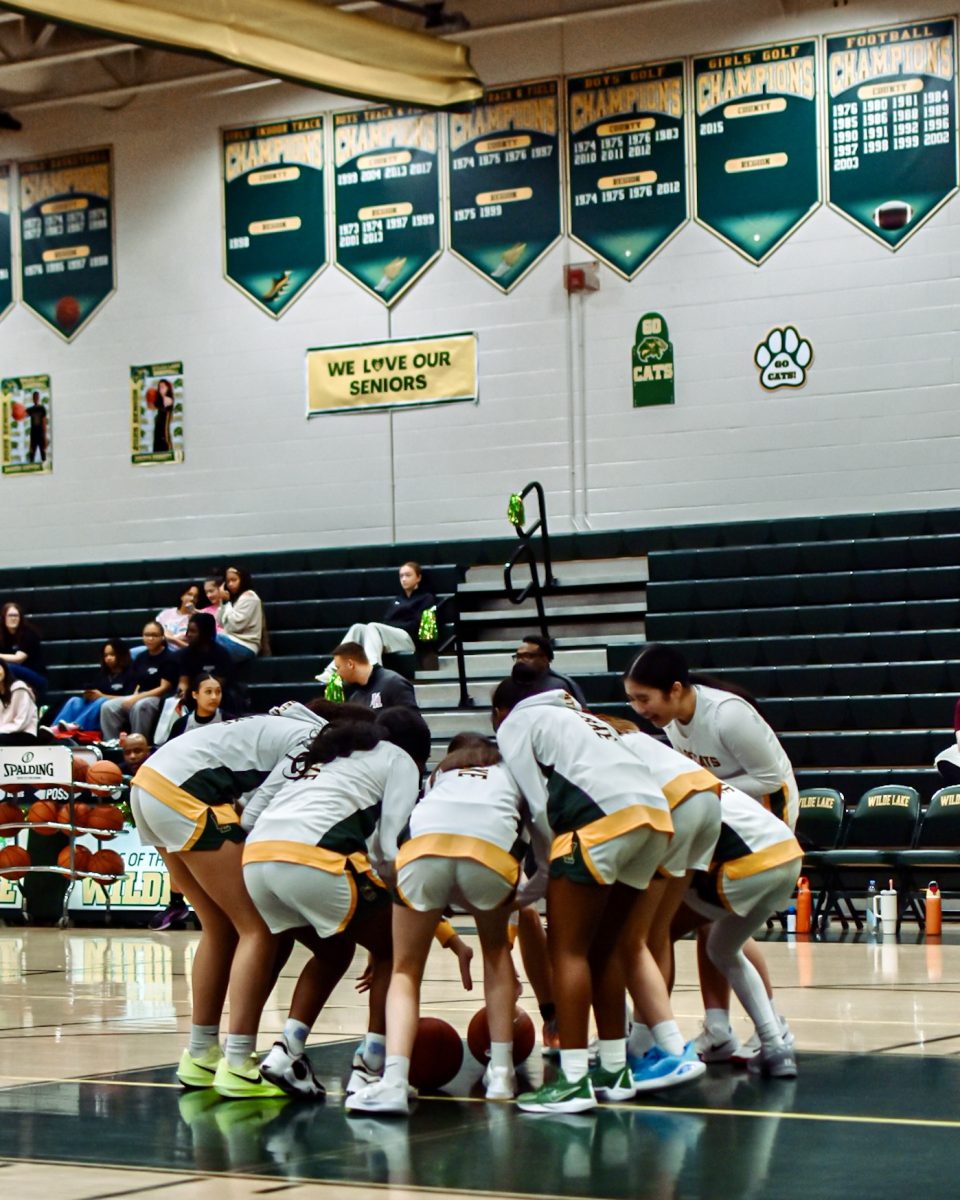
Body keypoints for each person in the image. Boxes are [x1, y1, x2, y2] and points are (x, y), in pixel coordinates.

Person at [493, 667, 674, 1114]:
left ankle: (572, 1079)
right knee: (606, 949)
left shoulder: (517, 722)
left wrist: (533, 886)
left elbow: (539, 808)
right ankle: (614, 1069)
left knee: (568, 950)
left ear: (501, 710)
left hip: (599, 822)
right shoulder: (585, 718)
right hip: (655, 820)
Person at [129, 701, 324, 1099]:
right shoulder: (314, 741)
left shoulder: (282, 723)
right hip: (183, 793)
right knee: (261, 927)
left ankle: (201, 1054)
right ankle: (238, 1062)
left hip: (148, 785)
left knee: (219, 928)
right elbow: (254, 813)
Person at [242, 708, 432, 1103]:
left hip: (256, 861)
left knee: (335, 951)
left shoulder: (333, 753)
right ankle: (371, 1067)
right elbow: (385, 850)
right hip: (310, 858)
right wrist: (405, 899)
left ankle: (287, 1053)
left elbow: (251, 815)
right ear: (418, 754)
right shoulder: (400, 761)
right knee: (394, 949)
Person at [623, 643, 799, 1063]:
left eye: (643, 698)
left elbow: (771, 780)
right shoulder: (672, 723)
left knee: (718, 920)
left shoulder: (727, 715)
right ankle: (720, 1027)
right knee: (710, 926)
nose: (638, 709)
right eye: (631, 700)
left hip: (768, 816)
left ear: (676, 689)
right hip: (721, 813)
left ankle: (770, 1022)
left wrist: (706, 788)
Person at [669, 783, 802, 1078]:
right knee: (722, 948)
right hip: (788, 853)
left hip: (749, 861)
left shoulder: (657, 783)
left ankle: (650, 1043)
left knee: (654, 936)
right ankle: (775, 1045)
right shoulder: (690, 773)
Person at [316, 562, 435, 683]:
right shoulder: (397, 600)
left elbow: (416, 625)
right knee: (358, 628)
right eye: (401, 576)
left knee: (373, 626)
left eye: (408, 575)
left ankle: (374, 669)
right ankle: (333, 669)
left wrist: (392, 626)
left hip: (408, 639)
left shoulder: (426, 598)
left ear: (418, 577)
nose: (404, 579)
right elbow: (386, 621)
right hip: (391, 637)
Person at [99, 621, 179, 741]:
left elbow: (164, 687)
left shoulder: (169, 657)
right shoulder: (141, 657)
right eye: (147, 635)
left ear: (162, 637)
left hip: (159, 698)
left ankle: (138, 743)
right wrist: (132, 696)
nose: (150, 638)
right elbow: (136, 682)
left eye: (154, 635)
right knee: (108, 706)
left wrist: (136, 698)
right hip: (140, 694)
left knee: (140, 706)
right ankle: (112, 743)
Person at [49, 640, 136, 732]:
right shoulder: (103, 675)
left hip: (113, 709)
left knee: (102, 700)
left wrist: (103, 697)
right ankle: (55, 728)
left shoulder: (131, 674)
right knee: (74, 701)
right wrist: (89, 695)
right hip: (96, 708)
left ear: (121, 655)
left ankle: (77, 725)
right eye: (105, 655)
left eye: (112, 654)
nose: (108, 658)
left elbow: (129, 698)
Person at [331, 642, 418, 712]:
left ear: (350, 664)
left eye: (338, 668)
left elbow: (414, 725)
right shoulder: (355, 698)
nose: (337, 673)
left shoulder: (394, 683)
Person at [514, 635, 587, 707]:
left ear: (545, 659)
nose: (520, 660)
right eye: (518, 656)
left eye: (528, 656)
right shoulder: (508, 685)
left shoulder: (559, 685)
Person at [216, 565, 267, 663]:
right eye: (227, 581)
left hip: (244, 645)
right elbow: (221, 623)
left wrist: (227, 602)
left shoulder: (249, 597)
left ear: (243, 580)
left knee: (205, 639)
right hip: (232, 641)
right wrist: (223, 602)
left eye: (234, 580)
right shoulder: (235, 598)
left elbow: (234, 626)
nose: (230, 584)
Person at [167, 674, 234, 741]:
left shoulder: (230, 722)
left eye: (218, 692)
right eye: (208, 692)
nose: (214, 697)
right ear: (195, 694)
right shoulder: (182, 724)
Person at [0, 602, 47, 694]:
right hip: (14, 676)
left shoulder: (28, 634)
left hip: (36, 678)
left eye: (16, 616)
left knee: (9, 668)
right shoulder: (2, 635)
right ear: (3, 617)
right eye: (10, 616)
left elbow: (18, 659)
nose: (13, 618)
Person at [154, 583, 202, 651]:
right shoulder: (165, 614)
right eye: (189, 594)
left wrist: (172, 639)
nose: (192, 599)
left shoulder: (199, 617)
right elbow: (157, 634)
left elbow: (193, 648)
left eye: (196, 596)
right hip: (161, 649)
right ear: (182, 596)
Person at [0, 661, 38, 743]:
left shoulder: (19, 688)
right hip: (5, 732)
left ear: (4, 668)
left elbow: (22, 721)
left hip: (24, 732)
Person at [153, 378, 174, 454]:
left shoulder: (168, 400)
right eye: (159, 388)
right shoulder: (160, 404)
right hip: (157, 438)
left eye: (162, 387)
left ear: (168, 388)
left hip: (164, 438)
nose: (160, 390)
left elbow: (165, 428)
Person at [26, 391, 47, 463]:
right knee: (32, 455)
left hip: (41, 434)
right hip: (33, 435)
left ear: (38, 398)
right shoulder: (30, 409)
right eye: (34, 397)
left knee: (43, 455)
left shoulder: (42, 408)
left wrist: (45, 437)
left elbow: (44, 422)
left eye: (37, 397)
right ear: (32, 398)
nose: (35, 398)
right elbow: (22, 414)